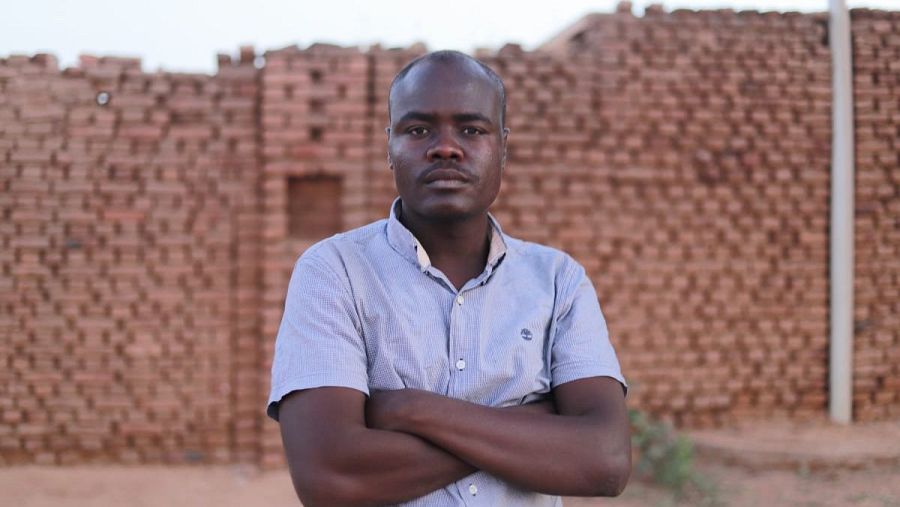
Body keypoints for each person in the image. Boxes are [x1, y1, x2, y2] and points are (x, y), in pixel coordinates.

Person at [267, 50, 630, 507]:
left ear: (503, 146)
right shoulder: (334, 271)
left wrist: (408, 409)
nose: (445, 147)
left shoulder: (558, 281)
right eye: (418, 130)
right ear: (389, 147)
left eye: (471, 129)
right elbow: (331, 478)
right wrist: (532, 426)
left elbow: (605, 460)